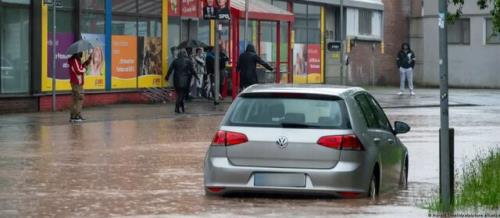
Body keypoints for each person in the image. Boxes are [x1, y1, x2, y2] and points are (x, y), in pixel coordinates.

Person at [68, 52, 91, 122]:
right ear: (77, 53)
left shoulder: (76, 60)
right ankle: (76, 116)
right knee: (79, 99)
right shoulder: (75, 60)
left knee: (75, 99)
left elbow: (80, 67)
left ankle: (73, 116)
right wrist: (85, 69)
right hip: (77, 83)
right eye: (81, 52)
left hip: (76, 83)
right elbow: (78, 70)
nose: (82, 53)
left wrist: (86, 63)